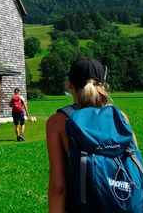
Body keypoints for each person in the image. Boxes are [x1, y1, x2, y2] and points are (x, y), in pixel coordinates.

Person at [46, 58, 138, 213]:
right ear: (103, 85)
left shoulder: (59, 122)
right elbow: (133, 165)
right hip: (125, 205)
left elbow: (58, 188)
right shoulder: (120, 117)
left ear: (70, 85)